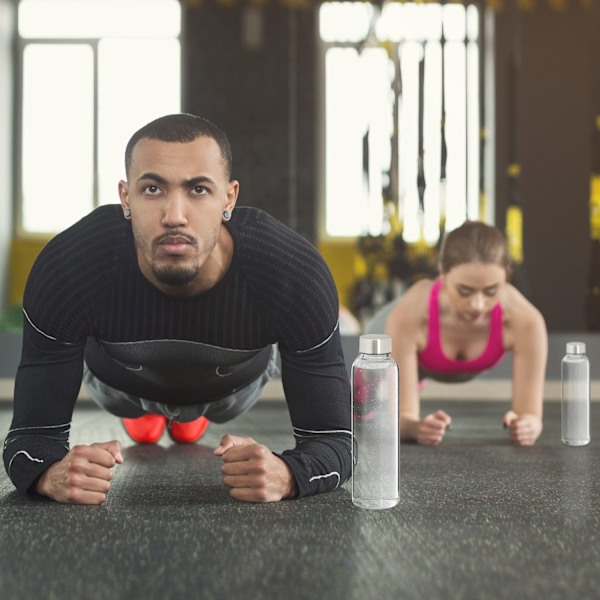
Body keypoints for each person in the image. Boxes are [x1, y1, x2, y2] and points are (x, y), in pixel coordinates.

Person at [3, 113, 352, 504]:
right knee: (141, 415)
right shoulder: (69, 266)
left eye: (198, 190)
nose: (174, 216)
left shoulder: (293, 271)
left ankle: (187, 418)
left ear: (229, 198)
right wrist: (50, 474)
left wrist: (289, 474)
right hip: (121, 385)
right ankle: (152, 415)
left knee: (197, 418)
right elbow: (28, 442)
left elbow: (335, 441)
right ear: (125, 197)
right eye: (152, 189)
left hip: (231, 389)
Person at [383, 221, 547, 446]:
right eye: (465, 291)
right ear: (442, 272)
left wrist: (527, 425)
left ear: (506, 276)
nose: (478, 305)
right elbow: (399, 420)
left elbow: (531, 415)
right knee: (362, 421)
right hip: (392, 338)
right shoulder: (409, 316)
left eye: (491, 291)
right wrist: (416, 427)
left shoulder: (526, 321)